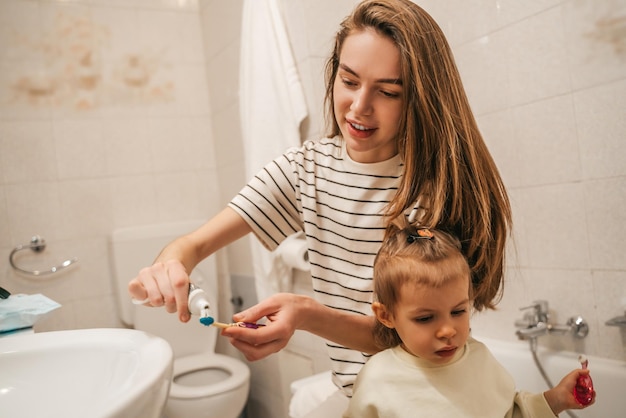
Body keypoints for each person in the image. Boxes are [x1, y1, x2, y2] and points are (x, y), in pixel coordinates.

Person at [128, 0, 512, 413]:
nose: (359, 106)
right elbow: (191, 245)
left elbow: (412, 335)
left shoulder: (438, 188)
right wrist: (169, 267)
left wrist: (306, 314)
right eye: (349, 81)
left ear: (420, 98)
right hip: (366, 397)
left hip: (432, 399)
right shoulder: (305, 170)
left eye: (387, 92)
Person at [344, 221, 596, 418]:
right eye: (425, 318)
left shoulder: (478, 358)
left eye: (458, 312)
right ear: (387, 316)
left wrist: (556, 399)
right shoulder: (378, 379)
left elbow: (510, 412)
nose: (447, 330)